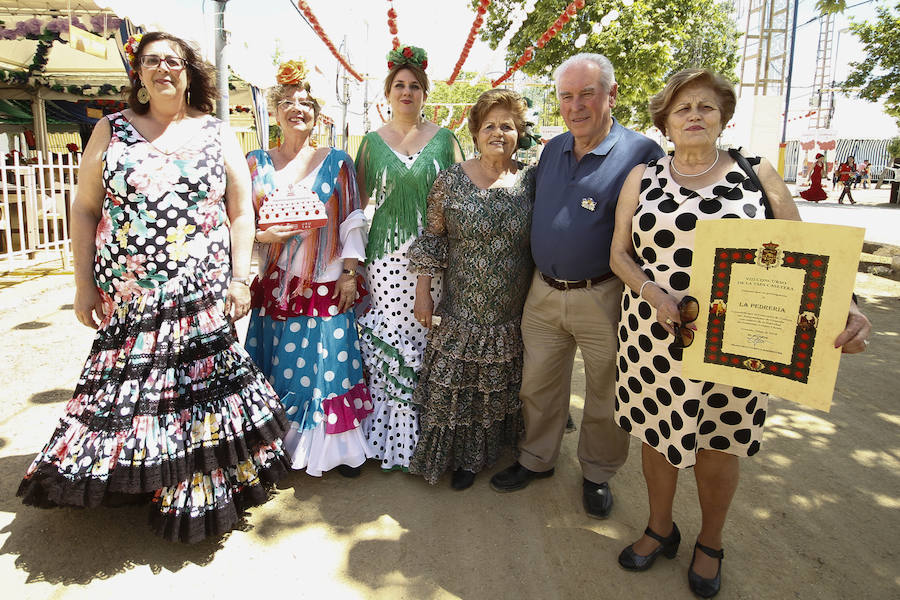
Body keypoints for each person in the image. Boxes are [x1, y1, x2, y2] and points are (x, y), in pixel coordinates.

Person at [17, 32, 290, 543]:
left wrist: (238, 278)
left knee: (192, 395)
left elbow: (239, 211)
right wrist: (83, 285)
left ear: (190, 72)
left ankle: (192, 489)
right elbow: (84, 208)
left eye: (174, 60)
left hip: (199, 293)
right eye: (151, 61)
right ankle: (139, 476)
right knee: (138, 392)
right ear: (138, 74)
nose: (163, 69)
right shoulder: (110, 130)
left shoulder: (217, 132)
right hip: (130, 295)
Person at [609, 68, 871, 598]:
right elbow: (619, 254)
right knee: (655, 438)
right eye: (682, 109)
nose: (694, 116)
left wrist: (848, 306)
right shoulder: (642, 178)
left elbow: (807, 254)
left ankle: (710, 541)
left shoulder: (757, 173)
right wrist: (653, 294)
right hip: (652, 335)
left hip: (738, 339)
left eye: (706, 107)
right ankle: (660, 527)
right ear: (665, 121)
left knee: (718, 442)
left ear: (723, 117)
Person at [490, 54, 664, 518]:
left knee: (608, 391)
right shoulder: (552, 149)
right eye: (566, 96)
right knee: (538, 384)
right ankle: (537, 458)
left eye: (587, 93)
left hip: (606, 294)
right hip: (542, 292)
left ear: (611, 95)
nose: (576, 105)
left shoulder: (642, 153)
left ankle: (597, 473)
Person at [244, 60, 372, 478]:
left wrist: (350, 273)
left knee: (328, 364)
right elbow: (240, 221)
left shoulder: (336, 161)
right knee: (279, 363)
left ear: (318, 115)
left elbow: (353, 218)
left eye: (305, 103)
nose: (296, 108)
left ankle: (334, 449)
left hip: (326, 279)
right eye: (287, 102)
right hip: (275, 283)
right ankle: (278, 446)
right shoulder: (255, 162)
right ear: (275, 112)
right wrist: (265, 239)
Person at [407, 89, 536, 490]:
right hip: (463, 308)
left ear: (520, 133)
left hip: (512, 309)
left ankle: (486, 455)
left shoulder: (532, 180)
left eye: (508, 126)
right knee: (456, 385)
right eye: (490, 126)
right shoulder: (451, 180)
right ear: (476, 133)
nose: (499, 133)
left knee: (500, 388)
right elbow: (434, 237)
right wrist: (423, 291)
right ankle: (459, 459)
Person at [355, 44, 464, 471]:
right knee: (392, 333)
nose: (406, 91)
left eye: (414, 86)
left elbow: (459, 196)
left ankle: (425, 436)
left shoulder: (444, 139)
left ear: (424, 93)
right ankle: (388, 438)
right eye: (399, 85)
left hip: (434, 254)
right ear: (388, 92)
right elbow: (358, 203)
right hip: (384, 255)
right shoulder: (370, 141)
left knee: (426, 333)